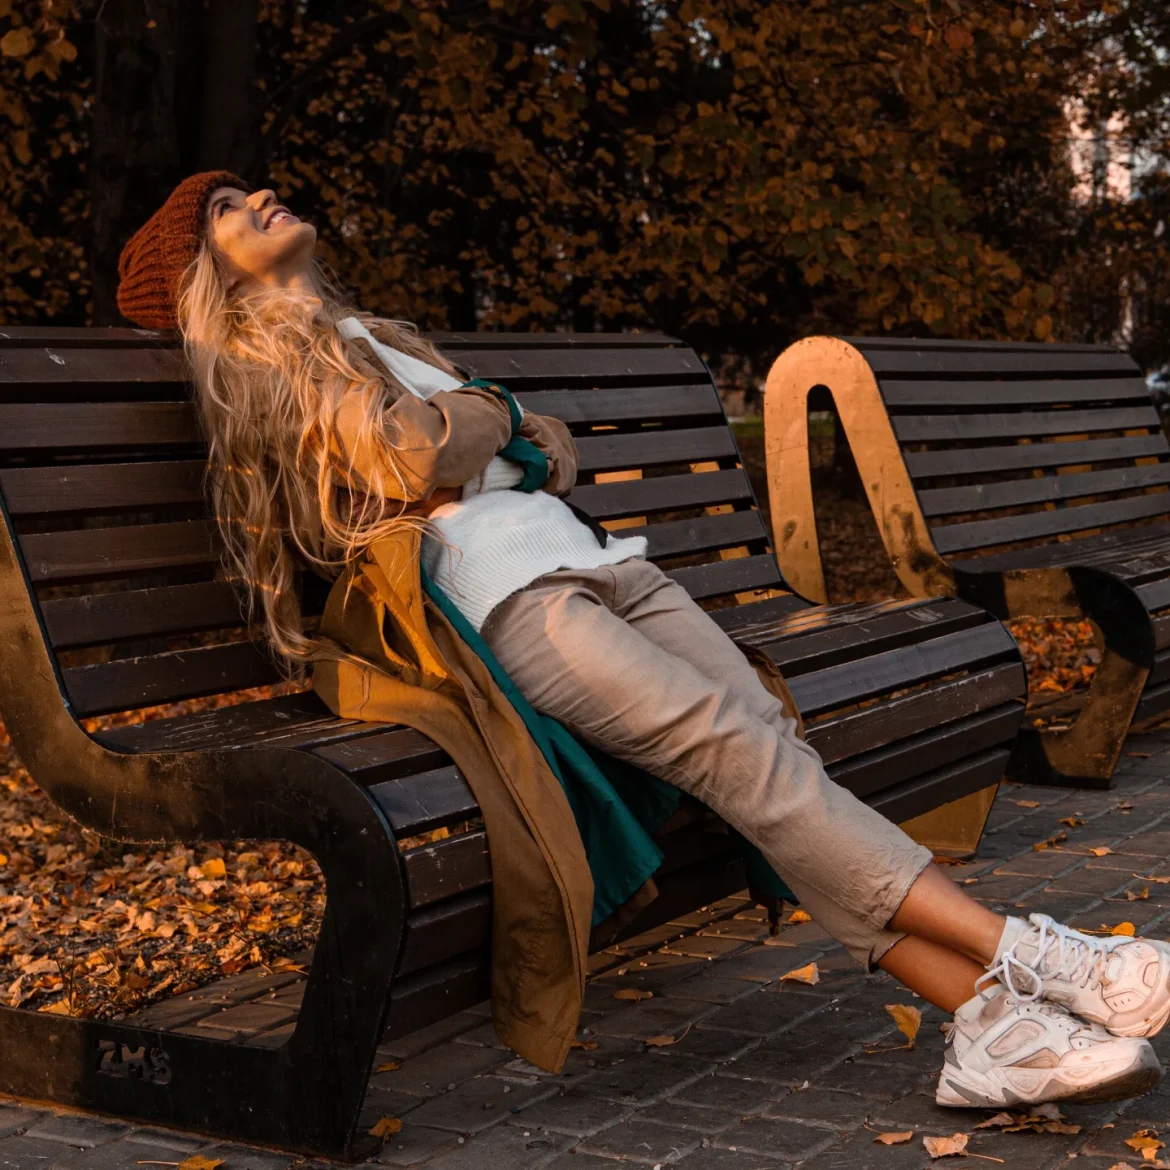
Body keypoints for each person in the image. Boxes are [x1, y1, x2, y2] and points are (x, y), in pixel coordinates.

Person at [115, 171, 1170, 1109]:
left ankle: (987, 1027)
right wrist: (492, 419)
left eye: (247, 189)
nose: (256, 199)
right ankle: (1037, 960)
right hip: (514, 600)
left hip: (608, 563)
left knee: (768, 752)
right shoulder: (259, 366)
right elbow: (414, 460)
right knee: (741, 755)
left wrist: (487, 428)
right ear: (205, 269)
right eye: (222, 211)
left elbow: (545, 451)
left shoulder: (378, 338)